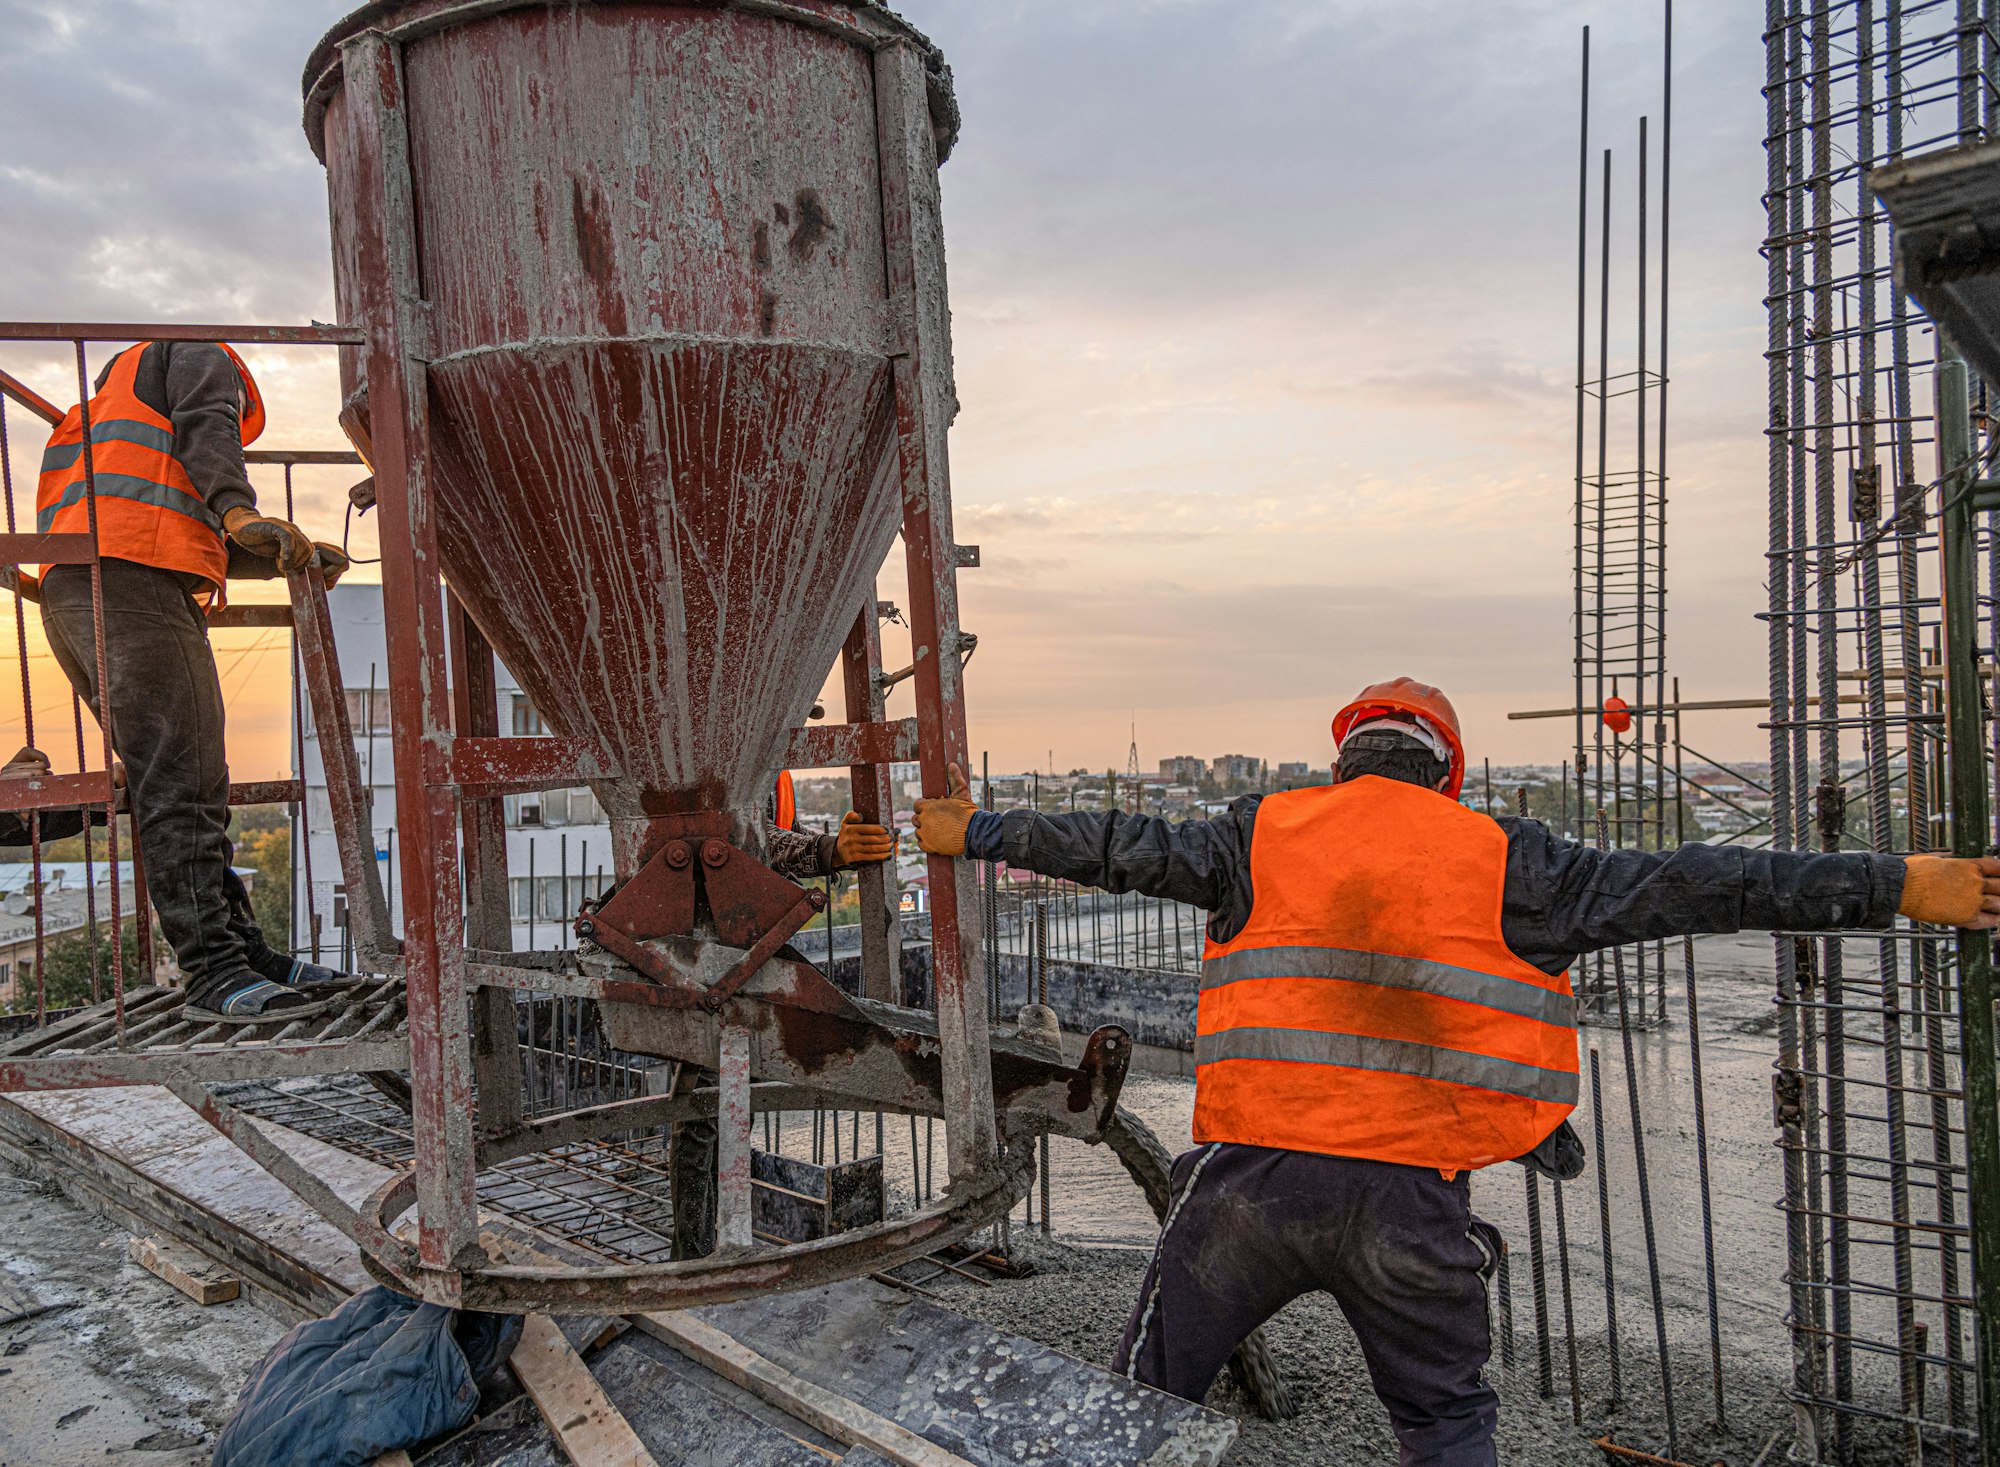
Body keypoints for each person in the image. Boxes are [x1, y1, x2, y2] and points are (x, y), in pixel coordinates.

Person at [912, 676, 2000, 1467]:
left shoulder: (1260, 835)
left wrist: (977, 828)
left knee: (1142, 1399)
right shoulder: (1513, 861)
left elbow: (1113, 844)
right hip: (1409, 1208)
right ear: (1449, 773)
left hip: (1245, 1191)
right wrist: (1893, 882)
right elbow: (1699, 883)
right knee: (1442, 1424)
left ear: (1343, 759)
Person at [28, 340, 349, 1022]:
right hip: (130, 585)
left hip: (83, 590)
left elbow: (168, 522)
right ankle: (212, 967)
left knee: (188, 778)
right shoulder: (201, 355)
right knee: (182, 781)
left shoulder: (101, 421)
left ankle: (240, 949)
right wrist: (237, 505)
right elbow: (208, 423)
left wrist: (287, 556)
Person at [668, 778, 896, 1258]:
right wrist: (827, 851)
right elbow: (744, 842)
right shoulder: (730, 752)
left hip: (745, 949)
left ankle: (704, 1245)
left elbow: (773, 833)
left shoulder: (768, 758)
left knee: (731, 1105)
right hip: (709, 954)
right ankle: (692, 1256)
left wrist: (832, 848)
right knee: (704, 1114)